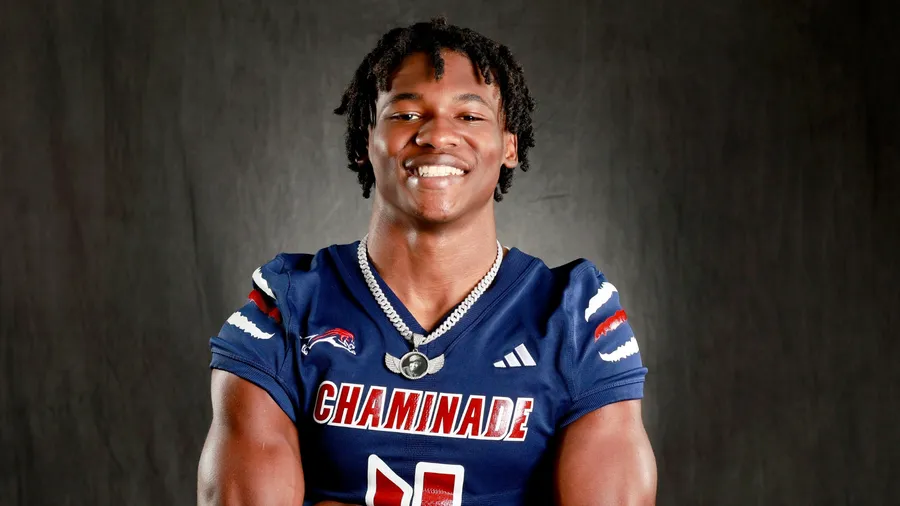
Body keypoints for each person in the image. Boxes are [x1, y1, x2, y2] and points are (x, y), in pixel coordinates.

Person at [197, 17, 657, 506]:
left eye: (470, 116)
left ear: (509, 145)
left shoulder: (576, 316)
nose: (438, 135)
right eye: (407, 114)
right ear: (365, 142)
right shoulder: (288, 306)